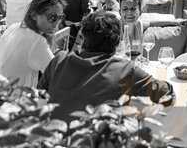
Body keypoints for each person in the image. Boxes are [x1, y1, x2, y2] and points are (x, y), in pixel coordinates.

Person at [38, 11, 174, 121]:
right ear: (117, 42)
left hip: (55, 139)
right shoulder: (125, 70)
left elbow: (39, 97)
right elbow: (165, 94)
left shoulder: (59, 60)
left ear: (84, 38)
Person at [0, 0, 65, 87]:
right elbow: (60, 77)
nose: (56, 24)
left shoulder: (14, 27)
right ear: (34, 15)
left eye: (60, 17)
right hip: (14, 98)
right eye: (52, 17)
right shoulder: (36, 42)